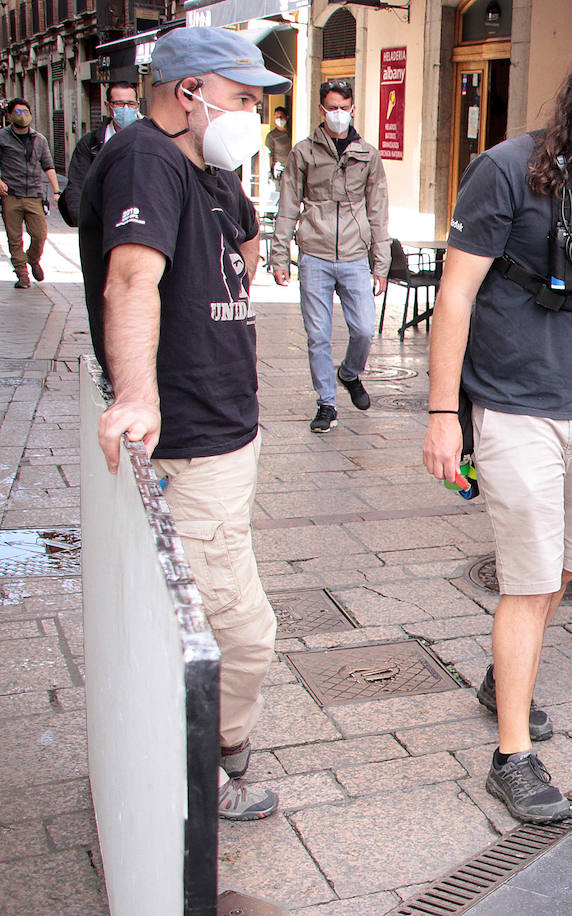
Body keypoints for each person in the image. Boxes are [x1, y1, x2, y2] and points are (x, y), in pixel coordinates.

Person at [422, 28, 572, 824]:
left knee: (561, 571)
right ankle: (513, 755)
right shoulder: (506, 171)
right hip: (515, 405)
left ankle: (503, 680)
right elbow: (454, 296)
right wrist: (441, 414)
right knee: (527, 581)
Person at [79, 26, 291, 820]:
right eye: (243, 99)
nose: (255, 115)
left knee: (211, 613)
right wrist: (136, 394)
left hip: (228, 431)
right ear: (189, 92)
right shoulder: (146, 158)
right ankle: (208, 770)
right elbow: (130, 277)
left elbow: (240, 244)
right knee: (239, 634)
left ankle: (208, 758)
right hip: (194, 440)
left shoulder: (202, 165)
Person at [271, 81, 390, 433]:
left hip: (355, 255)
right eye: (332, 107)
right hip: (315, 254)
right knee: (318, 334)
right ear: (322, 110)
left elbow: (378, 211)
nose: (338, 114)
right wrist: (280, 256)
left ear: (352, 108)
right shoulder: (303, 153)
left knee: (364, 330)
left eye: (344, 107)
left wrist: (380, 263)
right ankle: (326, 403)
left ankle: (349, 373)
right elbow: (288, 205)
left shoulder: (367, 154)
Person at [0, 98, 61, 288]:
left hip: (34, 195)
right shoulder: (2, 138)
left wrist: (57, 191)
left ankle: (33, 259)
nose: (22, 116)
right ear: (9, 116)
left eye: (26, 112)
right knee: (14, 238)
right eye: (17, 112)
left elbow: (48, 166)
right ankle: (22, 274)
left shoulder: (39, 139)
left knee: (39, 235)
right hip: (11, 195)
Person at [60, 81, 140, 226]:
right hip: (101, 224)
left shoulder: (151, 140)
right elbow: (77, 186)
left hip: (139, 223)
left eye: (130, 103)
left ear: (137, 105)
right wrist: (85, 223)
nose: (126, 108)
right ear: (107, 105)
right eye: (119, 104)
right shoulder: (90, 144)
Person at [264, 106, 290, 179]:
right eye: (276, 117)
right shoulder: (272, 136)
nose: (279, 119)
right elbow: (268, 154)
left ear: (287, 117)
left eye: (281, 116)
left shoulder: (292, 132)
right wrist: (268, 172)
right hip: (280, 172)